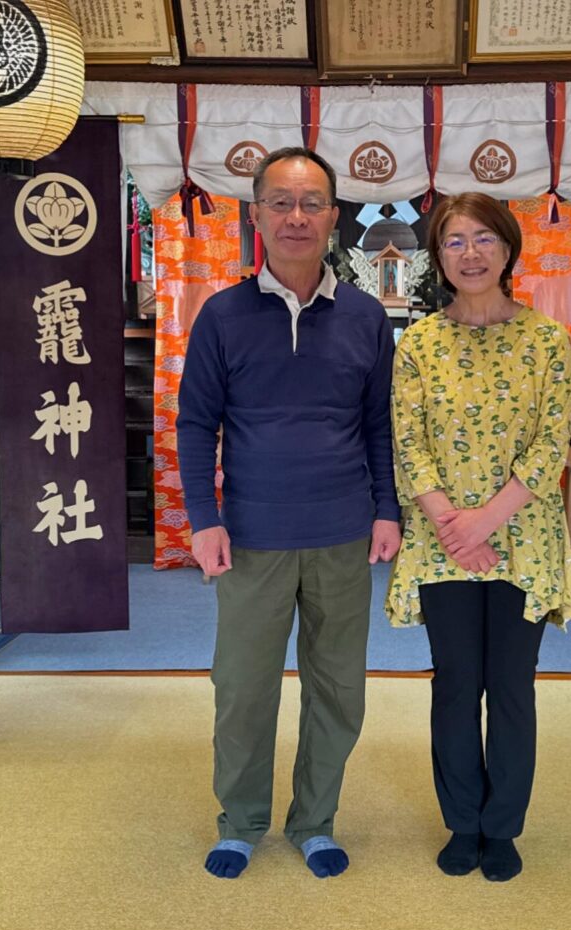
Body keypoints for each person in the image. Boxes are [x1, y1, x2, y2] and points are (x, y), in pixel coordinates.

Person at [177, 147, 401, 880]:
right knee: (242, 687)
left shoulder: (366, 317)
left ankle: (315, 821)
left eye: (311, 203)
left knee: (338, 688)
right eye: (281, 202)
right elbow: (194, 423)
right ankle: (239, 821)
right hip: (250, 537)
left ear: (334, 216)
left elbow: (378, 425)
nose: (296, 217)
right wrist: (204, 516)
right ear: (257, 215)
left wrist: (387, 510)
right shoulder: (223, 315)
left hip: (341, 533)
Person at [386, 192, 571, 882]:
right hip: (442, 544)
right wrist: (452, 524)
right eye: (454, 242)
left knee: (512, 686)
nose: (470, 254)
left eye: (483, 239)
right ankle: (462, 821)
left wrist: (484, 523)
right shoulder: (418, 343)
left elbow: (549, 443)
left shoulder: (548, 340)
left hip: (522, 540)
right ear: (438, 257)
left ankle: (503, 829)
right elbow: (408, 444)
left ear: (508, 249)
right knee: (455, 685)